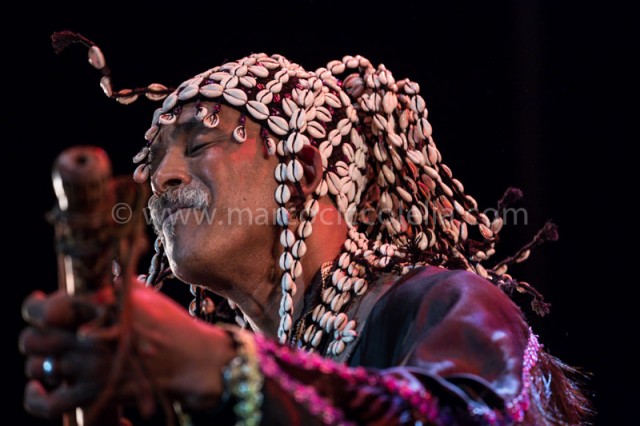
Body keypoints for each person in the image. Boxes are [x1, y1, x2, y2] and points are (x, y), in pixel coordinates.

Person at [20, 32, 590, 425]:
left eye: (199, 144)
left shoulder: (441, 302)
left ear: (305, 171)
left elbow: (477, 415)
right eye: (158, 159)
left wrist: (219, 367)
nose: (162, 177)